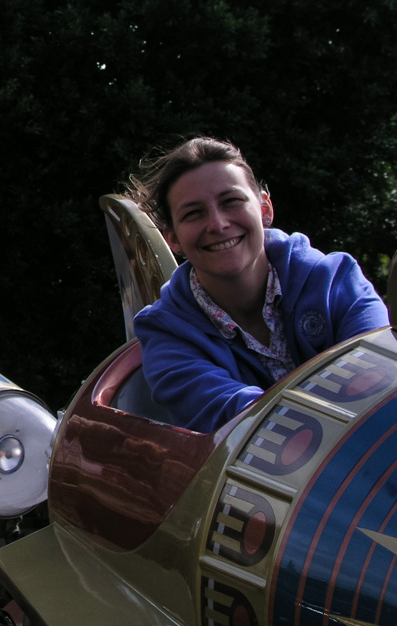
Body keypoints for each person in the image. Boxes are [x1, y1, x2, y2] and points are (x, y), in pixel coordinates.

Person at [127, 136, 389, 433]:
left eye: (231, 202)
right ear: (173, 238)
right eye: (193, 214)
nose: (217, 224)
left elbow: (379, 379)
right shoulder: (165, 333)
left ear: (264, 209)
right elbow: (235, 419)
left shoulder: (336, 280)